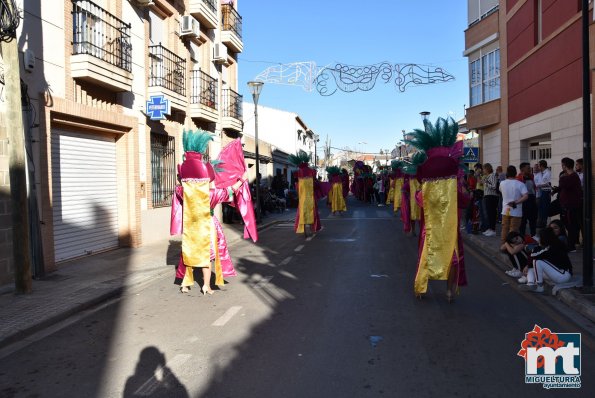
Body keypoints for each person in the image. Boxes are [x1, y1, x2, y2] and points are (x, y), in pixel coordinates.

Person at [173, 130, 249, 295]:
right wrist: (242, 178)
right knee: (207, 256)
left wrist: (183, 177)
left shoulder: (183, 191)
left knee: (188, 254)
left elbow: (180, 185)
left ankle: (185, 284)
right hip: (207, 227)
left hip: (190, 227)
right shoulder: (212, 194)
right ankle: (206, 285)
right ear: (208, 179)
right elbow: (231, 190)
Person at [403, 117, 467, 301]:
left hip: (429, 230)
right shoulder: (454, 185)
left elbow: (419, 201)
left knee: (425, 257)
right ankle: (449, 292)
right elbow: (464, 201)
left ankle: (421, 289)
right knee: (452, 258)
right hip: (449, 228)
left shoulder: (425, 187)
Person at [521, 227, 573, 293]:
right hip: (557, 273)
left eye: (540, 237)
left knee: (537, 261)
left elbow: (534, 255)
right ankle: (530, 284)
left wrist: (538, 246)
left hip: (563, 275)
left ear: (544, 238)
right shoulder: (552, 245)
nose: (538, 239)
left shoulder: (553, 247)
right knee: (531, 269)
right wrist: (528, 266)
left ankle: (539, 286)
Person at [290, 150, 321, 236]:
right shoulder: (312, 171)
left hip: (303, 197)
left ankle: (303, 228)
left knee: (302, 212)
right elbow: (315, 184)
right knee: (312, 212)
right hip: (311, 197)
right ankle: (312, 228)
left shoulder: (298, 172)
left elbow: (297, 186)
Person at [554, 157, 582, 252]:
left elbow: (562, 184)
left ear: (565, 166)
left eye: (562, 165)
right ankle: (569, 244)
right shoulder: (570, 176)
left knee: (571, 226)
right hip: (567, 205)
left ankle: (571, 246)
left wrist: (562, 177)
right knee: (567, 225)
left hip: (570, 206)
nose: (562, 167)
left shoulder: (571, 177)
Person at [499, 165, 529, 244]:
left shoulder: (502, 183)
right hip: (516, 211)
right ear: (515, 173)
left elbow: (501, 192)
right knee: (514, 229)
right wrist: (516, 202)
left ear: (507, 173)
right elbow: (526, 196)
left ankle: (503, 245)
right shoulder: (520, 184)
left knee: (505, 228)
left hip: (505, 210)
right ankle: (511, 246)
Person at [518, 162, 538, 237]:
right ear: (522, 170)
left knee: (533, 219)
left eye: (530, 168)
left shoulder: (532, 176)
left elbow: (534, 187)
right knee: (523, 220)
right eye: (528, 168)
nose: (530, 169)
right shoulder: (519, 178)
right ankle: (522, 236)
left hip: (532, 199)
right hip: (523, 201)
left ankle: (533, 235)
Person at [482, 163, 499, 237]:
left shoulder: (492, 175)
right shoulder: (488, 176)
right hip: (488, 196)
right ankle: (490, 228)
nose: (483, 170)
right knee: (489, 213)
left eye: (484, 169)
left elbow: (494, 186)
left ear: (487, 169)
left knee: (492, 213)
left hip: (492, 196)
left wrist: (485, 183)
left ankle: (493, 230)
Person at [535, 160, 552, 228]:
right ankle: (541, 223)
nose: (538, 167)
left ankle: (544, 223)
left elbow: (549, 183)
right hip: (542, 191)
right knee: (541, 208)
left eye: (539, 166)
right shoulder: (542, 173)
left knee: (545, 208)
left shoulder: (548, 173)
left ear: (542, 166)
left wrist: (539, 185)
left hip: (546, 191)